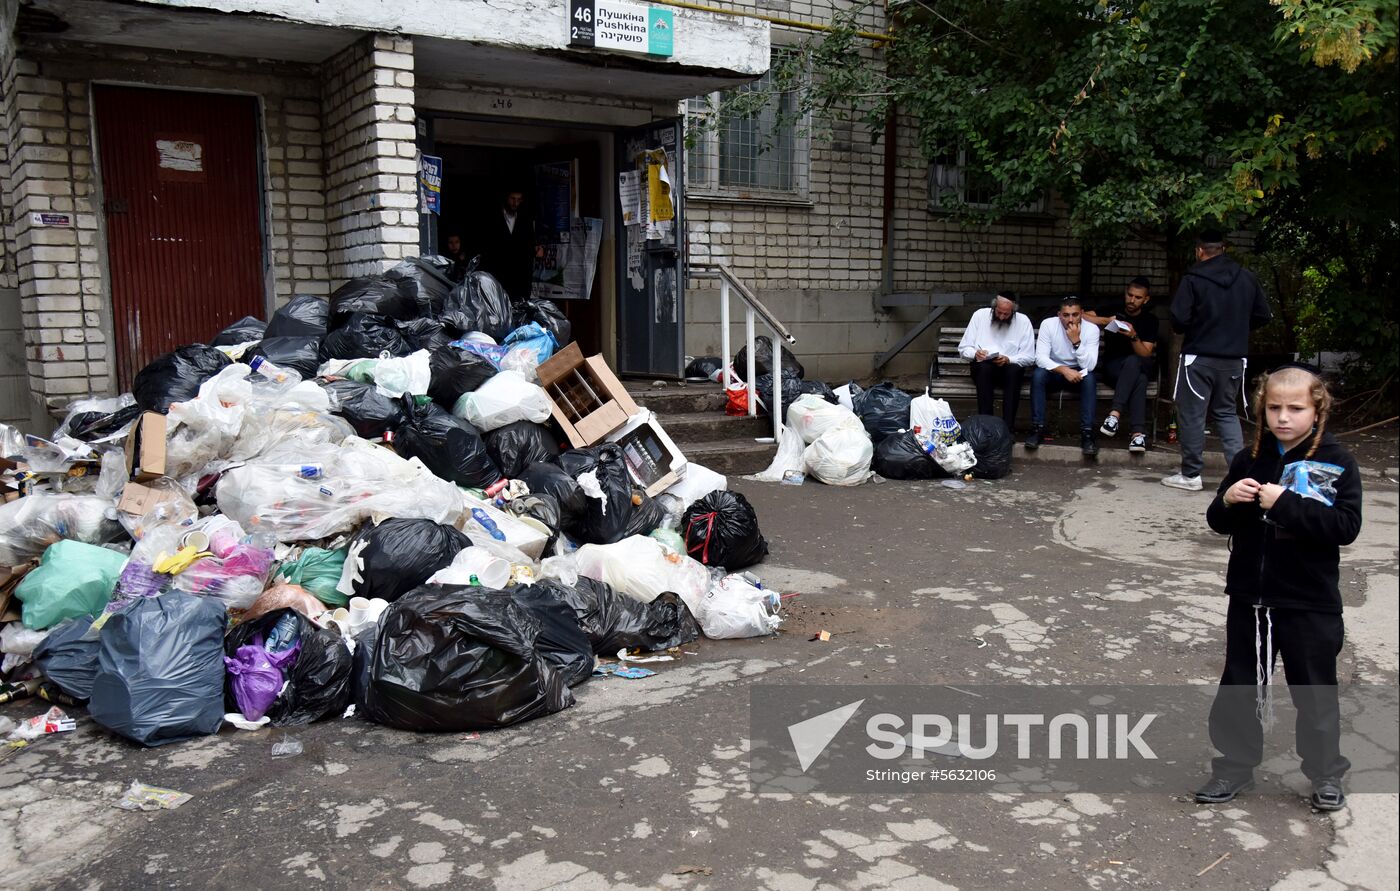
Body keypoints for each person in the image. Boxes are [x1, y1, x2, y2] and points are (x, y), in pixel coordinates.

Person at [1196, 365, 1361, 812]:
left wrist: (1285, 503)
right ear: (1261, 407)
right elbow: (1218, 521)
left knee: (1315, 691)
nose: (1283, 417)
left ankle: (1326, 774)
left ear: (1317, 408)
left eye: (1295, 408)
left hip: (1309, 600)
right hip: (1250, 596)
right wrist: (1226, 500)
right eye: (1274, 407)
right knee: (1239, 686)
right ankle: (1233, 768)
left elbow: (1345, 527)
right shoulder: (1250, 458)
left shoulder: (1337, 460)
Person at [1162, 230, 1272, 491]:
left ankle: (1190, 475)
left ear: (1199, 251)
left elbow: (1178, 319)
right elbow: (1263, 315)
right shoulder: (1247, 278)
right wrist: (1237, 330)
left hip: (1198, 358)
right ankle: (1241, 475)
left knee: (1192, 415)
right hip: (1234, 359)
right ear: (1223, 249)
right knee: (1226, 413)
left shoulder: (1193, 279)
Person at [1084, 276, 1159, 453]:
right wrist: (1105, 321)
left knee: (1134, 361)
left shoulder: (1150, 320)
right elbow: (1082, 316)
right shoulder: (1113, 309)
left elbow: (1146, 353)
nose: (1132, 300)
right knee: (1139, 379)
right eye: (1130, 295)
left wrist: (1133, 336)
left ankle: (1114, 414)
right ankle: (1138, 434)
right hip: (1113, 370)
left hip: (1139, 364)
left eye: (1138, 297)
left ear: (1146, 299)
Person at [1025, 296, 1101, 456]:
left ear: (1082, 313)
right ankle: (1037, 428)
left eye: (1075, 314)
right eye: (1066, 315)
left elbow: (1090, 365)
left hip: (1079, 373)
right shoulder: (1049, 325)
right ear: (1059, 314)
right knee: (1038, 375)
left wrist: (1076, 342)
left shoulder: (1092, 329)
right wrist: (1064, 370)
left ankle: (1087, 434)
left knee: (1090, 379)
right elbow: (1040, 358)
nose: (1070, 319)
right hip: (1055, 371)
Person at [957, 291, 1036, 430]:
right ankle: (987, 428)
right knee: (983, 368)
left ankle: (1007, 428)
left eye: (1006, 314)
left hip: (1009, 369)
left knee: (1015, 370)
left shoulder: (1023, 321)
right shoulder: (980, 315)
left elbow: (1029, 357)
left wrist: (1008, 359)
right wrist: (976, 353)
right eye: (999, 312)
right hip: (983, 369)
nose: (1001, 316)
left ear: (1013, 311)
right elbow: (963, 349)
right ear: (994, 307)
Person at [480, 189, 535, 300]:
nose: (515, 203)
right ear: (506, 198)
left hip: (519, 278)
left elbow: (528, 247)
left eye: (518, 200)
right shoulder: (493, 218)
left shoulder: (525, 220)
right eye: (512, 199)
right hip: (498, 276)